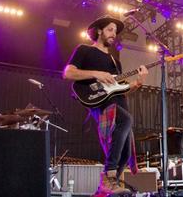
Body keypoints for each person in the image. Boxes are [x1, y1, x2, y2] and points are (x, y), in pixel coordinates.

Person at [63, 16, 148, 196]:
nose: (113, 34)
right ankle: (108, 177)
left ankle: (103, 191)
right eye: (110, 30)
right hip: (99, 102)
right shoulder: (84, 49)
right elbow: (68, 73)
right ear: (99, 30)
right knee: (126, 119)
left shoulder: (115, 61)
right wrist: (96, 74)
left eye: (115, 32)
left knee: (125, 155)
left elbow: (120, 90)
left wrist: (138, 83)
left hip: (119, 104)